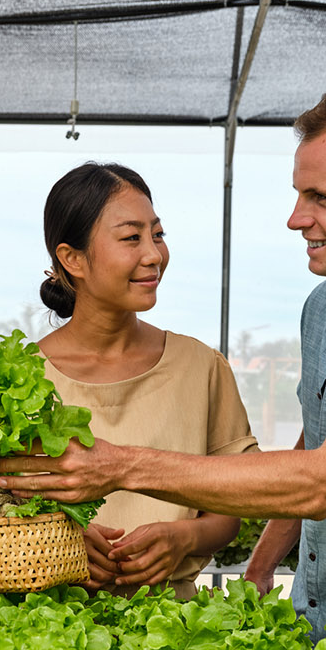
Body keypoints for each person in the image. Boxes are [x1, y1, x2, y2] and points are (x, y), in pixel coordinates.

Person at [0, 81, 326, 638]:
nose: (296, 218)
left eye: (322, 198)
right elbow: (323, 441)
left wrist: (116, 466)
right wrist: (263, 563)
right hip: (312, 630)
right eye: (299, 195)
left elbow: (322, 480)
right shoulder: (324, 308)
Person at [34, 162, 258, 598]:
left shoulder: (202, 366)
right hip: (48, 633)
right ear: (72, 258)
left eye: (158, 234)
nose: (154, 254)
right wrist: (57, 546)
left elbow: (234, 502)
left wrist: (184, 539)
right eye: (131, 237)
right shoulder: (22, 378)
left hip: (180, 633)